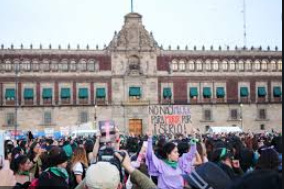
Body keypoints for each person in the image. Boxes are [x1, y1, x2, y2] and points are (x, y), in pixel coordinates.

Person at [75, 151, 157, 189]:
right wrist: (128, 167)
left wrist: (94, 172)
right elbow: (152, 187)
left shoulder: (86, 185)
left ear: (85, 187)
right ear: (119, 186)